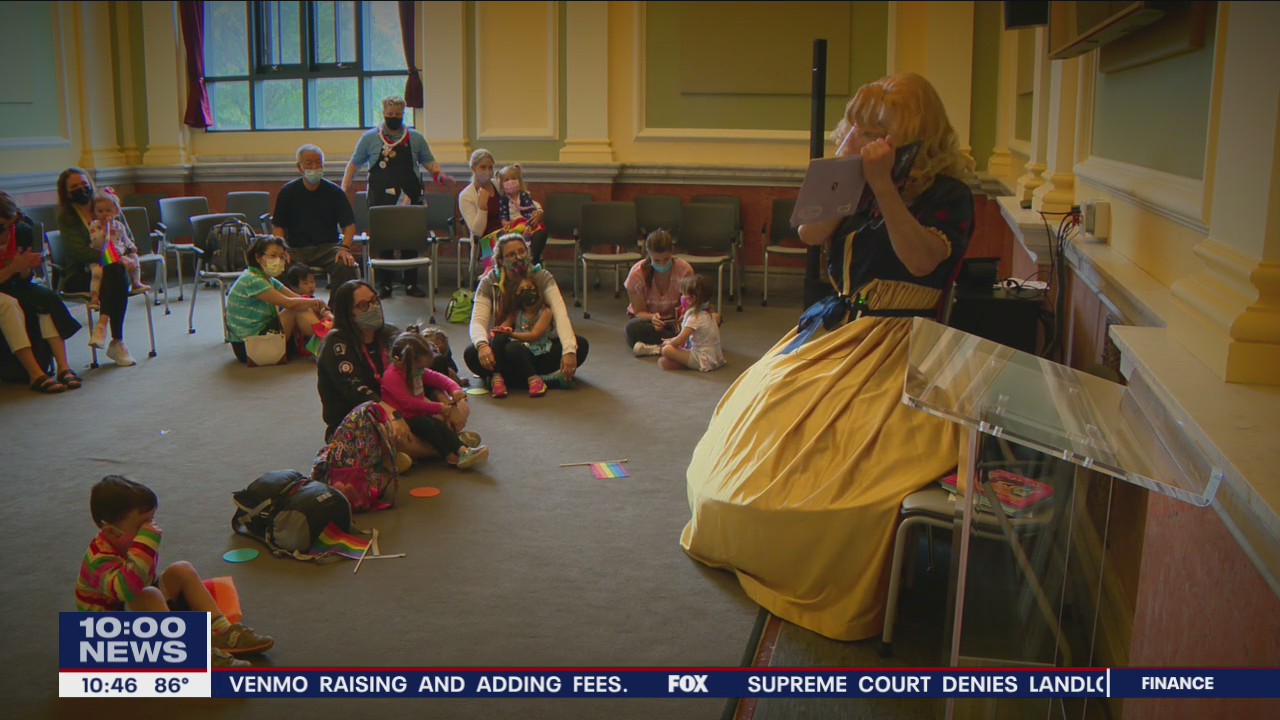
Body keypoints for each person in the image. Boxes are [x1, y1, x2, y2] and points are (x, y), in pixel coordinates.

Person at [679, 73, 976, 642]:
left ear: (911, 138)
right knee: (740, 451)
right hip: (837, 328)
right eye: (857, 125)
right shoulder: (855, 178)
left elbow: (920, 264)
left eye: (877, 129)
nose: (861, 136)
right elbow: (812, 233)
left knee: (852, 491)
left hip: (898, 345)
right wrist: (842, 175)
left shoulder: (948, 195)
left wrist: (885, 188)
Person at [75, 475, 275, 668]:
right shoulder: (98, 559)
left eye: (150, 520)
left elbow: (144, 579)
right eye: (141, 525)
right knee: (150, 594)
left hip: (133, 604)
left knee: (182, 569)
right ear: (110, 531)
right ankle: (190, 651)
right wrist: (146, 544)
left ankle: (220, 632)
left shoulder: (128, 542)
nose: (149, 528)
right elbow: (127, 590)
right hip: (107, 632)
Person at [317, 280, 470, 458]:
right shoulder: (336, 344)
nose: (374, 308)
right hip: (361, 416)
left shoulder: (389, 334)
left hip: (403, 406)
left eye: (375, 301)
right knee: (390, 433)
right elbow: (356, 394)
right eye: (364, 305)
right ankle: (446, 448)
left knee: (461, 406)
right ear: (348, 314)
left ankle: (423, 450)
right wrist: (394, 415)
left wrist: (447, 404)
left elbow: (420, 370)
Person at [340, 95, 449, 299]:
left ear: (403, 114)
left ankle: (411, 284)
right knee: (383, 241)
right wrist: (344, 187)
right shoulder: (369, 138)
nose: (394, 118)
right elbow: (354, 163)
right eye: (390, 114)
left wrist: (440, 175)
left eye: (398, 115)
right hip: (380, 200)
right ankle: (385, 285)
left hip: (410, 196)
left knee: (410, 239)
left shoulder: (415, 138)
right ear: (383, 114)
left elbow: (429, 161)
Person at [463, 235, 589, 398]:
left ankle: (505, 379)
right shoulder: (489, 282)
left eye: (522, 251)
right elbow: (477, 321)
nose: (518, 257)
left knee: (581, 345)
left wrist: (569, 350)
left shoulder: (542, 276)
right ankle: (542, 380)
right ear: (500, 260)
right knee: (471, 354)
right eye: (510, 254)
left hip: (538, 349)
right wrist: (482, 346)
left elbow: (560, 313)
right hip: (505, 351)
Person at [0, 191, 81, 392]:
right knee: (10, 305)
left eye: (7, 224)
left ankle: (64, 367)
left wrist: (28, 266)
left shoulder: (22, 230)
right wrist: (12, 268)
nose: (5, 230)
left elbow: (25, 277)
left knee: (48, 299)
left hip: (15, 284)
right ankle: (36, 374)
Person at [56, 168, 135, 366]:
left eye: (84, 184)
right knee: (116, 272)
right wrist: (114, 257)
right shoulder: (67, 218)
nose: (81, 189)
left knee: (115, 272)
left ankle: (104, 326)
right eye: (74, 187)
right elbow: (79, 252)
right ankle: (117, 341)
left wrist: (130, 254)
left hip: (112, 271)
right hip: (81, 273)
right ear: (66, 192)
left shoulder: (104, 203)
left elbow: (127, 237)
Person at [381, 331, 488, 469]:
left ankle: (461, 450)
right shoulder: (392, 376)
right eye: (420, 368)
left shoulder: (415, 370)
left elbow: (438, 378)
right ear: (401, 363)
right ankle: (452, 453)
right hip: (405, 416)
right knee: (431, 427)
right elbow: (409, 403)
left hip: (418, 412)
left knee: (438, 425)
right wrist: (438, 407)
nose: (422, 371)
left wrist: (454, 389)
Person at [271, 145, 359, 299]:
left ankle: (335, 312)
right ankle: (290, 309)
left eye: (318, 163)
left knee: (345, 265)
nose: (314, 167)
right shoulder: (287, 192)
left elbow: (349, 225)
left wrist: (345, 248)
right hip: (296, 248)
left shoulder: (335, 192)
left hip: (328, 248)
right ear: (300, 167)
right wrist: (281, 251)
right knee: (279, 267)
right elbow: (278, 227)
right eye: (309, 163)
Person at [224, 237, 327, 363]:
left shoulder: (266, 278)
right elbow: (288, 303)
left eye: (282, 256)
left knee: (302, 305)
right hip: (247, 346)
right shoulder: (252, 280)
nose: (278, 261)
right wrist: (317, 302)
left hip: (258, 336)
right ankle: (329, 346)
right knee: (295, 309)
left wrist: (318, 307)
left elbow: (298, 298)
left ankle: (327, 343)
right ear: (258, 257)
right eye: (273, 256)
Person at [86, 192, 145, 348]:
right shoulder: (95, 226)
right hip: (100, 260)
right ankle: (116, 339)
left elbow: (125, 241)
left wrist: (130, 250)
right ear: (94, 212)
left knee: (124, 266)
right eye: (100, 211)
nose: (104, 214)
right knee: (108, 273)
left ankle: (102, 325)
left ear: (116, 212)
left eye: (108, 211)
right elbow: (99, 244)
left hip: (117, 261)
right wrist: (105, 228)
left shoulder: (119, 226)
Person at [624, 229, 695, 357]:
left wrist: (685, 315)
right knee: (632, 328)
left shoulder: (684, 270)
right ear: (648, 254)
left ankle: (658, 347)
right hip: (650, 323)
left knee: (708, 320)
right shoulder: (636, 274)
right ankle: (677, 344)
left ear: (672, 253)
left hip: (676, 323)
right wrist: (652, 318)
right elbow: (639, 312)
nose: (662, 265)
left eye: (666, 259)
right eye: (657, 261)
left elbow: (691, 303)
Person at [491, 275, 556, 397]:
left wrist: (512, 334)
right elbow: (504, 327)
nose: (527, 291)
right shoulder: (516, 312)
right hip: (516, 350)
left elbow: (535, 335)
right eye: (522, 290)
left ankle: (534, 379)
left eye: (530, 287)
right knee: (500, 339)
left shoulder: (546, 312)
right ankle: (497, 378)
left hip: (535, 351)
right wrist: (500, 331)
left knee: (513, 347)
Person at [659, 275, 725, 373]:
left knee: (666, 350)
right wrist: (672, 340)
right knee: (664, 362)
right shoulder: (707, 312)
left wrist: (670, 343)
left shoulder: (695, 318)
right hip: (714, 356)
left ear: (692, 298)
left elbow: (680, 341)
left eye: (683, 294)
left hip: (704, 358)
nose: (681, 297)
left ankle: (657, 350)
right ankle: (682, 362)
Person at [495, 164, 548, 265]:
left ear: (519, 180)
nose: (510, 182)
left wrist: (530, 222)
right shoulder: (504, 199)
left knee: (539, 232)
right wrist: (504, 221)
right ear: (502, 184)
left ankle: (531, 262)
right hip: (512, 226)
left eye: (513, 178)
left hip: (526, 222)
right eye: (506, 180)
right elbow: (503, 213)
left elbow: (530, 209)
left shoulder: (524, 195)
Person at [282, 262, 335, 357]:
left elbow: (326, 313)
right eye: (305, 283)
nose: (311, 286)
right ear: (293, 287)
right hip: (294, 342)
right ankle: (326, 346)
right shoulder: (292, 303)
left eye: (312, 281)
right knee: (303, 309)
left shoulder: (315, 300)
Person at [457, 149, 501, 243]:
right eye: (483, 167)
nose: (488, 172)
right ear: (473, 169)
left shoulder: (497, 185)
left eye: (490, 168)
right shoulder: (466, 196)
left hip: (505, 233)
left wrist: (538, 210)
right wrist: (483, 207)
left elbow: (517, 199)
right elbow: (477, 232)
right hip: (486, 243)